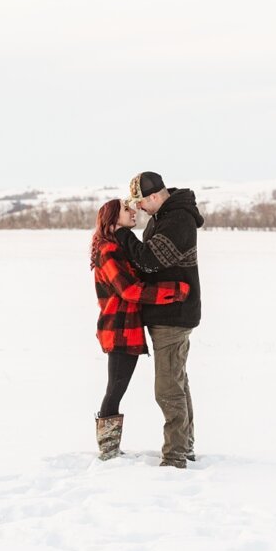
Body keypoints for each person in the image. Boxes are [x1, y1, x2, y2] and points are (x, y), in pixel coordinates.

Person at [115, 172, 204, 469]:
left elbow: (149, 260)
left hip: (174, 315)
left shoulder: (177, 220)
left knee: (167, 387)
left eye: (140, 202)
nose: (138, 208)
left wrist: (121, 234)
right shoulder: (163, 217)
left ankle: (175, 456)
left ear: (154, 196)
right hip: (170, 312)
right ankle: (185, 446)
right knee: (177, 381)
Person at [90, 198, 190, 461]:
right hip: (119, 329)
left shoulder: (116, 247)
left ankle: (109, 449)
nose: (132, 212)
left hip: (128, 328)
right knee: (115, 390)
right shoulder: (108, 250)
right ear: (113, 219)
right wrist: (175, 292)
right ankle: (108, 452)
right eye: (126, 209)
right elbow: (130, 290)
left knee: (116, 388)